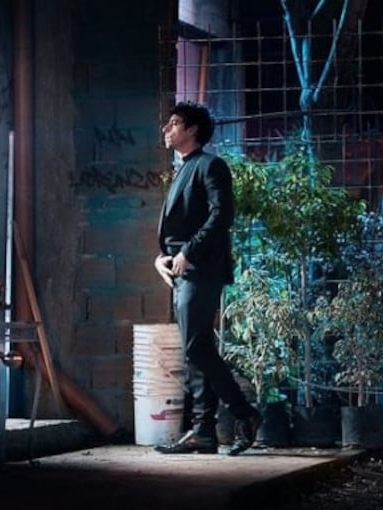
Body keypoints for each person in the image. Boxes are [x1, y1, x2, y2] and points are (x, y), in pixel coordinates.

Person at [154, 101, 262, 456]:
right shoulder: (184, 168)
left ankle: (244, 414)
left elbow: (222, 215)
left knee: (196, 347)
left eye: (174, 123)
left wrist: (189, 252)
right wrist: (161, 258)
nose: (166, 129)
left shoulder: (210, 165)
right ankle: (203, 431)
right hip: (181, 270)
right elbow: (177, 227)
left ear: (192, 130)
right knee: (195, 350)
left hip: (201, 269)